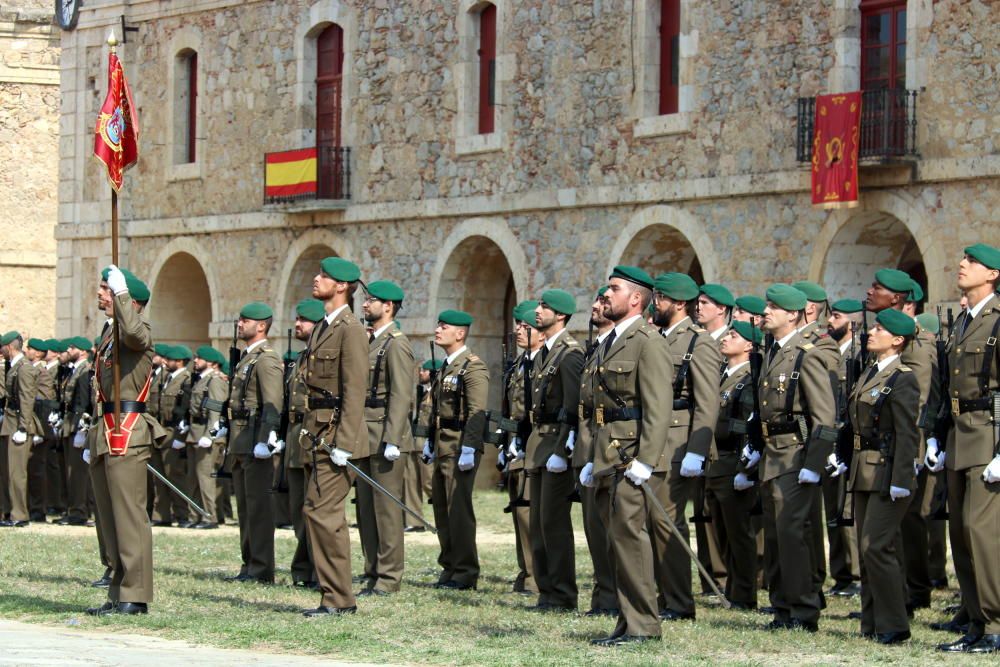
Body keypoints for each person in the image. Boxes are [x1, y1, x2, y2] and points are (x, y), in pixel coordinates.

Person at [581, 265, 673, 646]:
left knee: (630, 540)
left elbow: (658, 406)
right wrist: (590, 456)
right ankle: (627, 619)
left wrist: (647, 460)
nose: (605, 295)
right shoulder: (610, 340)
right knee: (615, 541)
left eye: (613, 289)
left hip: (630, 456)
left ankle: (643, 626)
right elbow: (597, 408)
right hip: (606, 454)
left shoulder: (646, 340)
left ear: (635, 299)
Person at [755, 284, 838, 633]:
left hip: (794, 454)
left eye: (774, 307)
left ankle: (804, 611)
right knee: (775, 535)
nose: (766, 312)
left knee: (792, 533)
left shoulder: (807, 354)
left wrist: (813, 464)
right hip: (772, 455)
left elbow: (824, 417)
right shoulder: (774, 351)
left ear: (793, 314)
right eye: (767, 306)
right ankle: (782, 606)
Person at [86, 265, 165, 616]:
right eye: (104, 288)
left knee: (129, 515)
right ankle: (118, 591)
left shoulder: (138, 328)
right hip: (106, 428)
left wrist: (121, 297)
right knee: (108, 516)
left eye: (108, 289)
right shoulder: (109, 334)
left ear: (130, 300)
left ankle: (135, 594)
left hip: (128, 430)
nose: (101, 293)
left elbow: (134, 336)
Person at [935, 243, 1000, 654]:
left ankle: (996, 623)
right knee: (959, 533)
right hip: (960, 436)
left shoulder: (996, 322)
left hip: (988, 436)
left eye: (972, 262)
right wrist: (935, 437)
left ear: (993, 274)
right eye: (962, 259)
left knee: (982, 532)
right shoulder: (962, 321)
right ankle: (976, 621)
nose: (962, 265)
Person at [648, 272, 721, 621]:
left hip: (679, 441)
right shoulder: (656, 337)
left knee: (669, 523)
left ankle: (678, 602)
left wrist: (698, 448)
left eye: (661, 298)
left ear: (679, 304)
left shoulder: (699, 342)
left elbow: (708, 402)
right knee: (652, 521)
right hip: (654, 437)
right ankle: (662, 596)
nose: (654, 303)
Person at [847, 308, 919, 645]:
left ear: (898, 339)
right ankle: (872, 622)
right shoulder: (869, 372)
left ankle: (895, 624)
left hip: (889, 470)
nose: (872, 332)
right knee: (866, 550)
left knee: (876, 546)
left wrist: (902, 478)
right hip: (864, 469)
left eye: (880, 328)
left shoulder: (903, 377)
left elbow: (907, 433)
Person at [300, 257, 368, 616]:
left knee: (323, 513)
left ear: (341, 286)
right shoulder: (323, 327)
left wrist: (344, 442)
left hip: (335, 438)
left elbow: (354, 390)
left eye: (324, 276)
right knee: (319, 512)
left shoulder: (350, 329)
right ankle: (336, 596)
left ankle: (339, 599)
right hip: (317, 434)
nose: (317, 278)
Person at [419, 309, 490, 591]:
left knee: (458, 510)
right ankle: (449, 565)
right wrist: (428, 439)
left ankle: (465, 571)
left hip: (459, 445)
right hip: (442, 443)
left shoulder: (472, 367)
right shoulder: (447, 367)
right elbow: (436, 408)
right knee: (442, 510)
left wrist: (470, 448)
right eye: (438, 325)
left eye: (444, 326)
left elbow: (477, 410)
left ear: (460, 333)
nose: (437, 330)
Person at [525, 289, 584, 611]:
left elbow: (573, 404)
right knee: (538, 523)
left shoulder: (569, 353)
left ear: (560, 315)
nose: (537, 311)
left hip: (556, 446)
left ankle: (563, 594)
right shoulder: (546, 351)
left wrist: (564, 449)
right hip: (540, 443)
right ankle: (546, 591)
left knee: (554, 524)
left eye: (544, 307)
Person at [357, 280, 415, 596]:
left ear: (388, 306)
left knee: (387, 510)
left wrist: (393, 438)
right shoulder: (371, 342)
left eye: (372, 300)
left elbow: (401, 393)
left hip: (384, 436)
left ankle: (390, 576)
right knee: (366, 509)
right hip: (364, 434)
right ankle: (372, 570)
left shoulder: (396, 343)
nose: (365, 304)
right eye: (365, 299)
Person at [705, 321, 763, 611]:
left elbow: (747, 426)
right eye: (727, 334)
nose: (726, 339)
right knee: (722, 532)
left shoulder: (749, 379)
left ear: (749, 345)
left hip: (733, 462)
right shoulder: (721, 375)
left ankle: (744, 593)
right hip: (715, 463)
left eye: (733, 336)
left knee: (739, 533)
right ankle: (731, 586)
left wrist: (745, 470)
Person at [225, 302, 283, 584]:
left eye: (245, 320)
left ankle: (261, 568)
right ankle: (249, 564)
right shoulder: (247, 358)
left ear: (261, 326)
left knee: (258, 508)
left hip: (254, 441)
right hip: (240, 440)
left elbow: (272, 403)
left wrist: (267, 436)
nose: (240, 324)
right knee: (246, 508)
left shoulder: (266, 359)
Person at [573, 288, 618, 616]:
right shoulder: (596, 349)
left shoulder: (620, 347)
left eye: (604, 300)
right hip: (589, 448)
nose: (596, 305)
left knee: (613, 531)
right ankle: (603, 598)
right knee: (593, 528)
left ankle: (617, 598)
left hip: (613, 449)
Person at [501, 300, 541, 596]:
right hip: (517, 443)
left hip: (536, 444)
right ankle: (525, 570)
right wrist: (506, 441)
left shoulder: (541, 364)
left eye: (525, 327)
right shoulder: (519, 364)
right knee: (518, 509)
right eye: (518, 326)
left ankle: (535, 576)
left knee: (529, 513)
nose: (518, 331)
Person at [284, 298, 324, 588]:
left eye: (304, 321)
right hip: (295, 433)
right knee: (297, 505)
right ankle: (303, 567)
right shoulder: (300, 358)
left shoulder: (321, 358)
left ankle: (315, 569)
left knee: (314, 505)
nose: (298, 325)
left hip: (314, 433)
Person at [185, 345, 228, 529]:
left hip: (206, 433)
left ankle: (209, 517)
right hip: (195, 432)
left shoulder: (214, 381)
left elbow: (215, 411)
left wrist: (210, 435)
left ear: (211, 362)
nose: (195, 361)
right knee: (193, 479)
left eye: (199, 358)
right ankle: (195, 515)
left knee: (205, 478)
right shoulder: (202, 380)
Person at [0, 331, 40, 528]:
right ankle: (9, 512)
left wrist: (23, 427)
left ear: (9, 347)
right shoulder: (15, 366)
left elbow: (26, 399)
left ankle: (19, 514)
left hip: (18, 423)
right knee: (7, 471)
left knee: (17, 473)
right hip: (10, 423)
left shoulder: (23, 368)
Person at [58, 336, 95, 526]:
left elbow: (85, 402)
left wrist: (83, 428)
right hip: (70, 423)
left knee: (79, 473)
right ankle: (74, 509)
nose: (68, 350)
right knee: (72, 472)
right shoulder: (74, 371)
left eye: (72, 347)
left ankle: (80, 511)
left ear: (82, 350)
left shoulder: (85, 371)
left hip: (80, 425)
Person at [159, 345, 194, 528]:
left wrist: (181, 436)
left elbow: (186, 409)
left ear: (179, 361)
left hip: (174, 431)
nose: (165, 362)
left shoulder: (185, 380)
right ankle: (162, 515)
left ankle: (182, 514)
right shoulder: (167, 378)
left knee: (175, 475)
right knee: (160, 476)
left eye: (169, 359)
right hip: (161, 430)